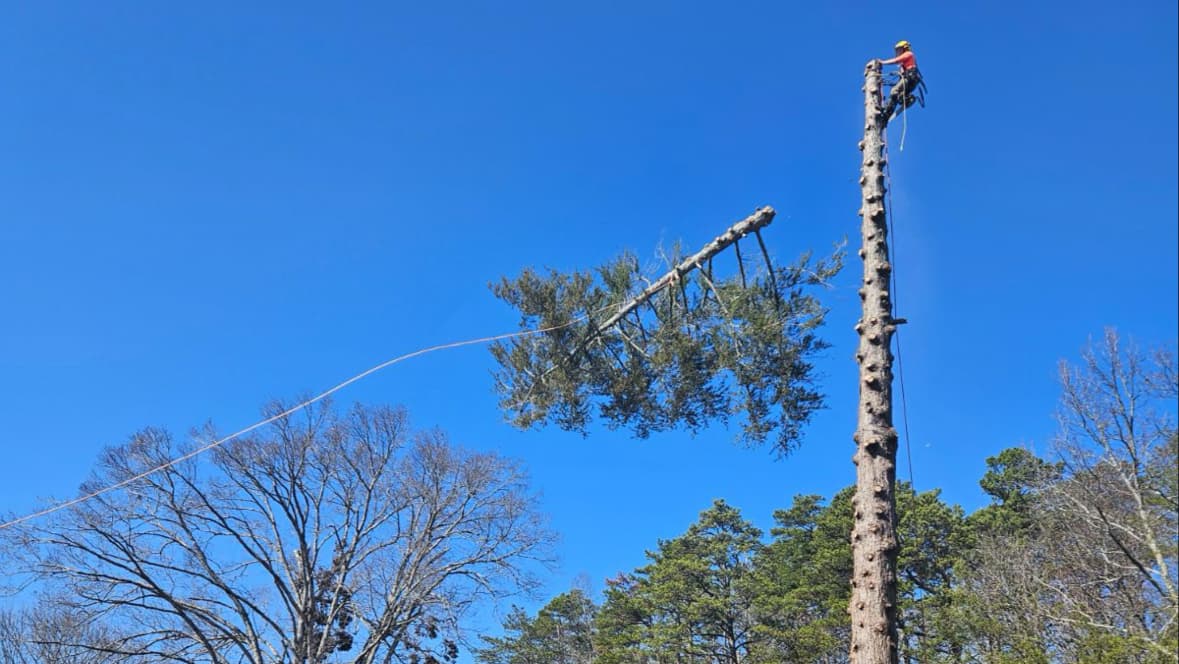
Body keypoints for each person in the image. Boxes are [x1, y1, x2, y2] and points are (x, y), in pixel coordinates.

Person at [877, 40, 922, 123]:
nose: (898, 52)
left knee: (894, 91)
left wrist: (882, 62)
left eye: (899, 49)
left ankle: (886, 113)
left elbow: (896, 60)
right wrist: (901, 68)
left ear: (904, 48)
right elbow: (901, 72)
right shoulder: (905, 63)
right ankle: (905, 98)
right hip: (911, 79)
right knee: (897, 94)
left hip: (910, 77)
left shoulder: (909, 54)